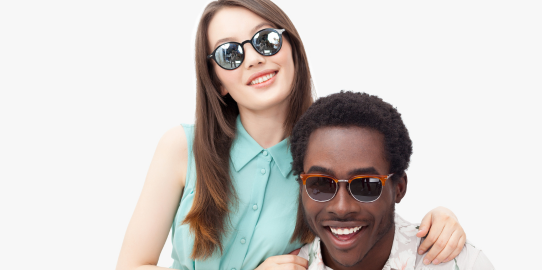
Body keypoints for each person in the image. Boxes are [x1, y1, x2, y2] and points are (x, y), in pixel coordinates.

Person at [116, 1, 469, 269]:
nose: (253, 58)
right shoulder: (182, 147)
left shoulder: (324, 160)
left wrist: (439, 218)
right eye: (230, 54)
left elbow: (370, 209)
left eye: (266, 41)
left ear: (292, 49)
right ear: (217, 82)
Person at [289, 91, 494, 270]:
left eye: (365, 185)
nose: (342, 208)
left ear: (399, 188)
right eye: (321, 184)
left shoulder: (463, 265)